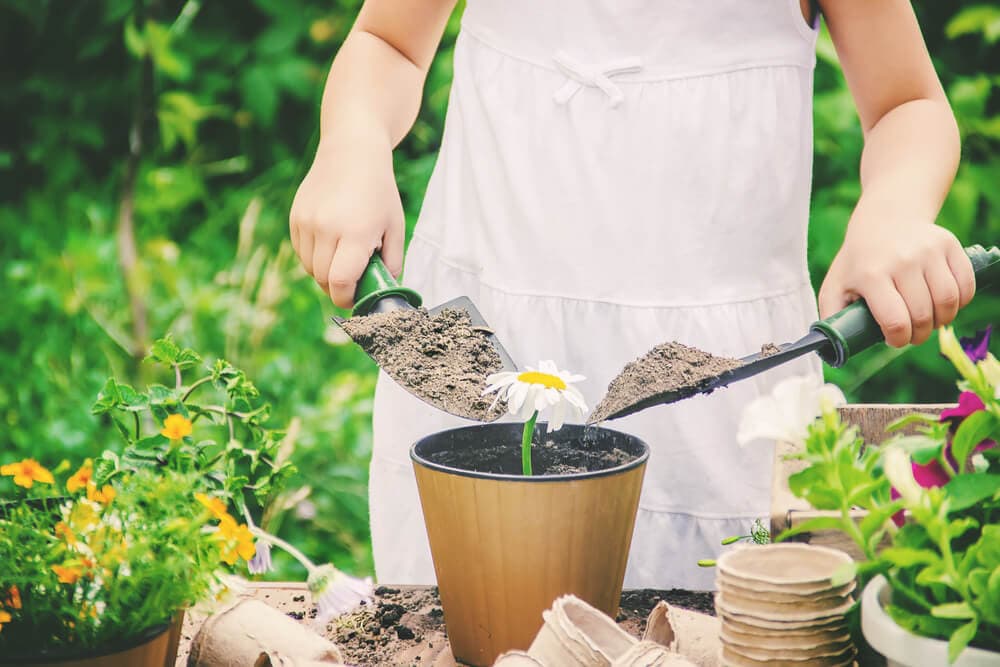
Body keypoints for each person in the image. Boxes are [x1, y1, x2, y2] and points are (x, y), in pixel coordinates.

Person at [289, 0, 976, 589]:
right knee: (465, 628)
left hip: (718, 401)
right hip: (483, 366)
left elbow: (906, 104)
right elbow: (389, 44)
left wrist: (892, 214)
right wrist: (351, 145)